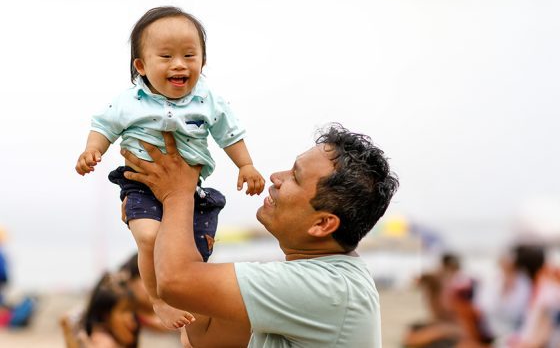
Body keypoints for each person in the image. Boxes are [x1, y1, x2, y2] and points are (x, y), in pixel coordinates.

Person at [120, 124, 399, 347]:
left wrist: (176, 195)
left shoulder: (326, 288)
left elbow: (176, 282)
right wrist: (156, 224)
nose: (276, 177)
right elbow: (202, 334)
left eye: (295, 177)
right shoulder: (325, 281)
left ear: (323, 224)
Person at [75, 6, 265, 329]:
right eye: (166, 56)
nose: (179, 64)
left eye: (189, 55)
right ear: (142, 66)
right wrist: (92, 150)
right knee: (149, 237)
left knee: (194, 252)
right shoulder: (129, 101)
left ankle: (190, 304)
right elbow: (104, 125)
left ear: (202, 62)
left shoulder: (208, 100)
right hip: (141, 183)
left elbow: (230, 133)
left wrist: (245, 165)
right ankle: (157, 299)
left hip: (191, 190)